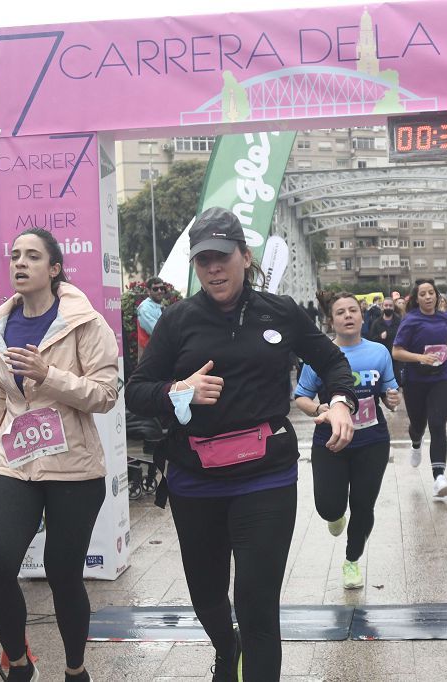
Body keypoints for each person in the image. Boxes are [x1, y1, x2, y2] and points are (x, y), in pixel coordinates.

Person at [126, 206, 356, 682]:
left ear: (245, 257)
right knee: (208, 597)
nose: (213, 268)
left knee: (256, 602)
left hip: (265, 477)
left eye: (222, 257)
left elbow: (333, 362)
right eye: (203, 260)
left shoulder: (281, 312)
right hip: (196, 480)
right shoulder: (178, 320)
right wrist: (177, 391)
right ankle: (224, 646)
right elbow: (136, 391)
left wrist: (339, 403)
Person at [0, 227, 119, 682]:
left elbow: (105, 394)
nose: (20, 263)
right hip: (15, 462)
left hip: (74, 468)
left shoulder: (86, 322)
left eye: (33, 256)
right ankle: (19, 663)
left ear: (54, 269)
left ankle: (75, 670)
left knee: (62, 573)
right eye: (15, 255)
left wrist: (48, 375)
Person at [295, 291, 400, 589]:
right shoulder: (321, 355)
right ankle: (334, 514)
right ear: (331, 320)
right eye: (340, 312)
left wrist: (394, 399)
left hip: (372, 440)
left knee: (364, 505)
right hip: (331, 441)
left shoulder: (379, 353)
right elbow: (301, 396)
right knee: (329, 507)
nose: (348, 316)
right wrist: (321, 409)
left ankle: (352, 561)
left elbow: (390, 394)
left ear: (362, 314)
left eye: (353, 310)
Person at [391, 279, 447, 495]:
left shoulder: (444, 317)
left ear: (437, 295)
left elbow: (446, 334)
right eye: (423, 294)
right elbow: (396, 351)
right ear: (417, 298)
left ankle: (439, 477)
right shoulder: (411, 320)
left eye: (431, 293)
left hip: (441, 378)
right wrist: (420, 357)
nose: (428, 297)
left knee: (438, 424)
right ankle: (415, 442)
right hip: (416, 381)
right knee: (418, 424)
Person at [368, 296, 402, 386]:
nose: (388, 308)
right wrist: (380, 337)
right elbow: (371, 339)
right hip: (382, 357)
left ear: (394, 307)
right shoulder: (376, 323)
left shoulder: (399, 321)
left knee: (398, 383)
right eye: (386, 305)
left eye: (390, 306)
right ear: (382, 306)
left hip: (397, 357)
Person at [136, 276, 166, 356]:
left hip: (159, 354)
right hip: (149, 356)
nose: (160, 291)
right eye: (155, 289)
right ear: (148, 291)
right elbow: (158, 331)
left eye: (162, 288)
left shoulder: (160, 306)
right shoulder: (144, 308)